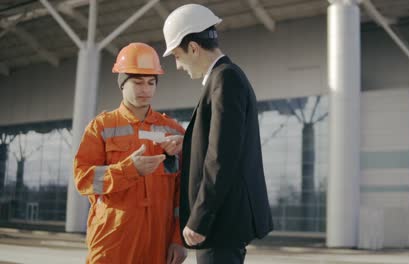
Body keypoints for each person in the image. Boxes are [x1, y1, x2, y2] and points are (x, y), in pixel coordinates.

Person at [162, 4, 273, 264]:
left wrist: (199, 218)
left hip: (221, 223)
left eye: (177, 56)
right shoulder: (224, 78)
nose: (177, 66)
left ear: (193, 48)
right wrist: (187, 143)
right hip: (224, 222)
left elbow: (221, 158)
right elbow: (219, 144)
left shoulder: (225, 80)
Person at [73, 42, 187, 264]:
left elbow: (182, 193)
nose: (145, 89)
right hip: (112, 241)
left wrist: (178, 239)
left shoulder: (174, 132)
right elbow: (83, 180)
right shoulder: (101, 127)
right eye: (137, 82)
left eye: (151, 82)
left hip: (159, 244)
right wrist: (128, 170)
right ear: (122, 84)